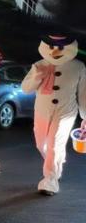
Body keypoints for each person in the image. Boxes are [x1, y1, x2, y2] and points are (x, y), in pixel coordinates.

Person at [22, 34, 86, 196]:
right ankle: (57, 162)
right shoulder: (39, 65)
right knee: (41, 144)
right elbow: (26, 88)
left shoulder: (78, 67)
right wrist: (38, 75)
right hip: (42, 111)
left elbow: (84, 93)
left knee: (54, 144)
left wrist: (85, 116)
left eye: (61, 47)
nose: (56, 51)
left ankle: (50, 181)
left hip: (65, 112)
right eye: (52, 47)